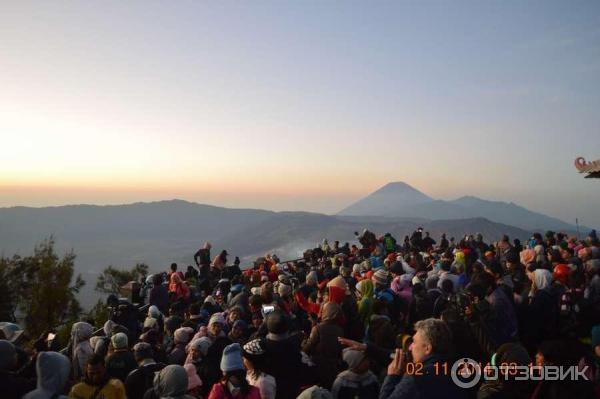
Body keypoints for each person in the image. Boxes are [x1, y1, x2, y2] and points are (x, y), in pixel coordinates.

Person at [379, 318, 466, 399]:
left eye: (414, 342)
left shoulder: (416, 379)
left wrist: (392, 376)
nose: (410, 348)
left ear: (427, 348)